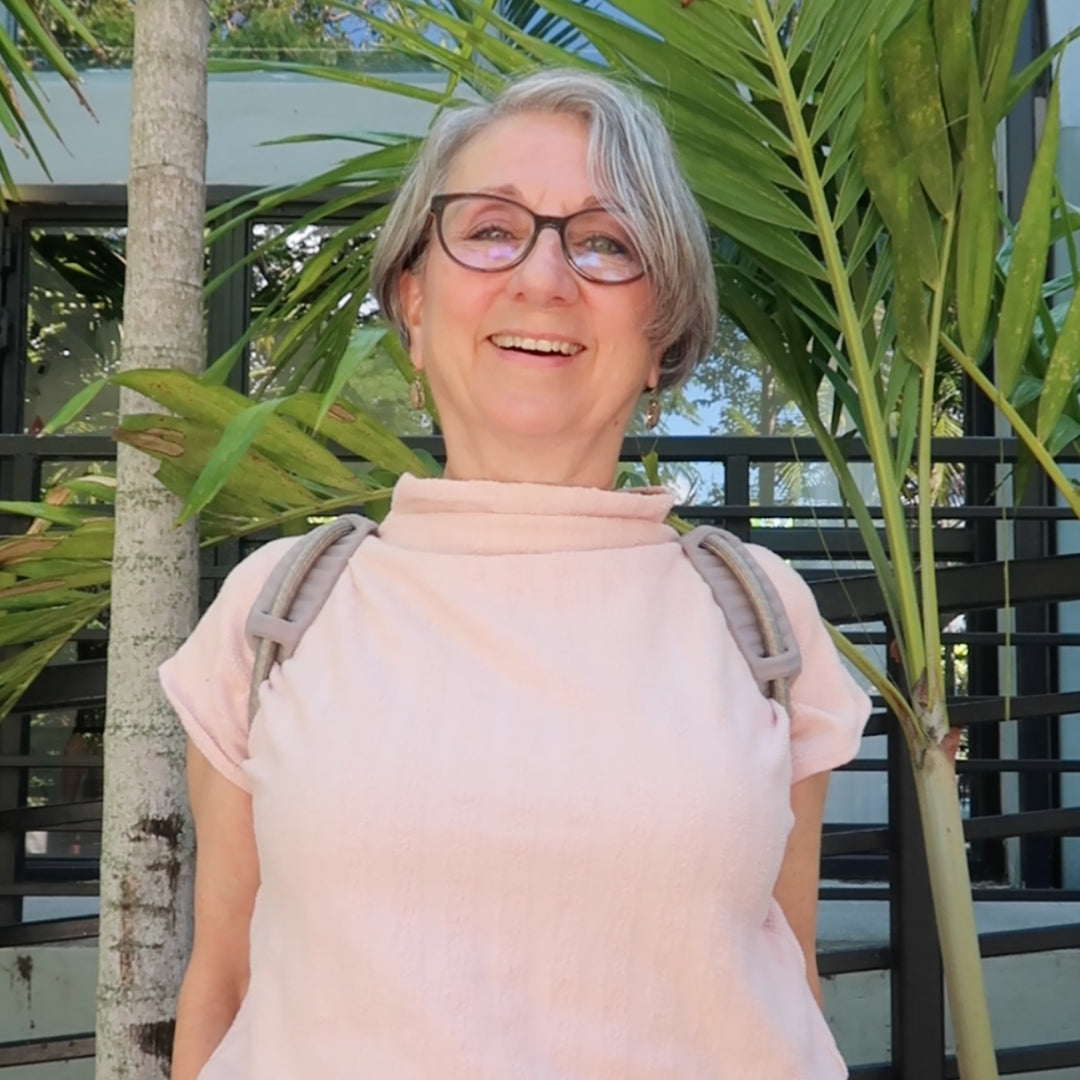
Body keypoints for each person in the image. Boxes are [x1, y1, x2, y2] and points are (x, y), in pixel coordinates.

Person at [161, 68, 871, 1080]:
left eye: (605, 242)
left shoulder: (760, 617)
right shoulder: (280, 610)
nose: (543, 278)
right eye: (490, 230)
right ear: (412, 301)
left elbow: (779, 978)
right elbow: (222, 987)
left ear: (661, 333)